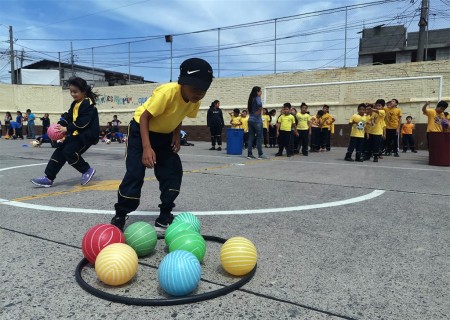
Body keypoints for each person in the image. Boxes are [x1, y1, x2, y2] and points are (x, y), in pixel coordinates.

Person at [110, 58, 214, 231]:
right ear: (183, 82)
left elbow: (180, 114)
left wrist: (175, 135)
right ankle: (120, 214)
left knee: (172, 171)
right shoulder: (167, 93)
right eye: (195, 89)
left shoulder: (195, 99)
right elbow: (144, 117)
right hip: (140, 131)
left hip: (165, 136)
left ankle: (165, 215)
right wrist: (146, 148)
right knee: (135, 173)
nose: (199, 94)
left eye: (203, 91)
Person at [30, 77, 100, 187]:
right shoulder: (75, 103)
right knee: (59, 152)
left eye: (75, 92)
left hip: (86, 136)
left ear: (83, 91)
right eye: (71, 91)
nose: (72, 94)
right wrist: (61, 124)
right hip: (76, 134)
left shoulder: (88, 104)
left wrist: (66, 129)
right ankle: (49, 178)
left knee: (69, 152)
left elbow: (83, 122)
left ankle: (87, 170)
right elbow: (69, 116)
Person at [246, 86, 265, 159]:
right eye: (260, 91)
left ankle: (249, 154)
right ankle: (260, 154)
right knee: (259, 137)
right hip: (257, 120)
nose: (261, 92)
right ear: (257, 92)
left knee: (251, 137)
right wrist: (260, 110)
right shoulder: (257, 98)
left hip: (250, 119)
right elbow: (259, 104)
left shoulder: (251, 99)